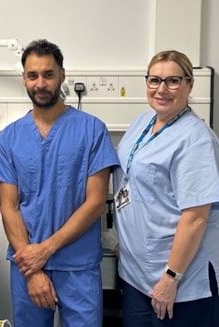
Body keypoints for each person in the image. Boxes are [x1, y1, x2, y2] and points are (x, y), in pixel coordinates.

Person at [0, 39, 119, 327]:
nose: (40, 83)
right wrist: (33, 270)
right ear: (24, 79)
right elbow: (8, 207)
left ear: (62, 75)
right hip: (27, 265)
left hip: (77, 266)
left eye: (48, 74)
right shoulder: (10, 138)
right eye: (33, 76)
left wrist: (44, 251)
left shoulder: (91, 130)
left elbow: (95, 203)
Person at [113, 50, 219, 326]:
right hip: (137, 273)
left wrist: (172, 278)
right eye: (154, 80)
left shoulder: (195, 139)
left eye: (172, 81)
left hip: (180, 281)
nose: (162, 89)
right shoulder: (142, 123)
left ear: (189, 84)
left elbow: (196, 217)